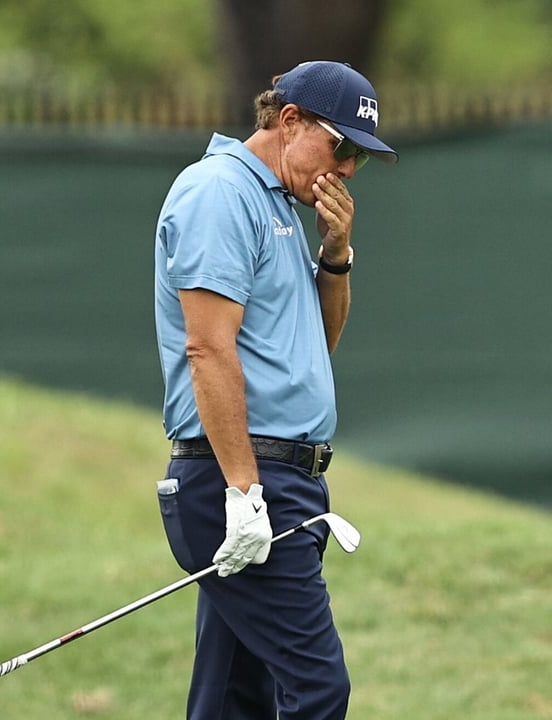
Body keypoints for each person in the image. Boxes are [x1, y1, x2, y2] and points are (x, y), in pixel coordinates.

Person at [152, 61, 397, 719]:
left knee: (233, 700)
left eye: (359, 160)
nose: (346, 169)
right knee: (318, 689)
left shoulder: (278, 206)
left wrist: (336, 255)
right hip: (244, 480)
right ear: (288, 120)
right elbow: (207, 347)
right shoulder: (220, 193)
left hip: (279, 482)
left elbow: (313, 349)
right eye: (340, 146)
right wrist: (244, 492)